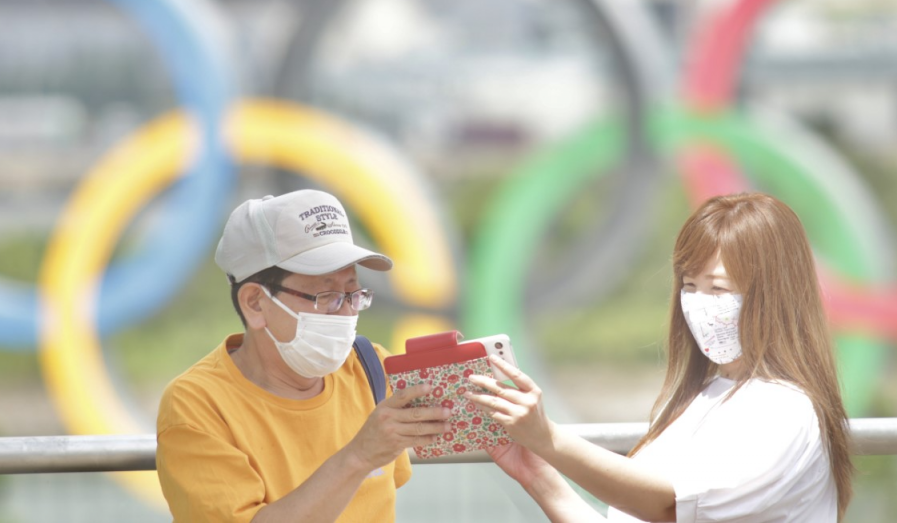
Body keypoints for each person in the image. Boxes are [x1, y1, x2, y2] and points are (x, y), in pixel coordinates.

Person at [467, 191, 854, 522]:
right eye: (689, 286)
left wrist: (548, 438)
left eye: (717, 288)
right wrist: (537, 473)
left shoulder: (784, 410)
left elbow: (669, 506)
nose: (699, 304)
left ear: (773, 292)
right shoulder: (700, 399)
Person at [156, 189, 449, 523]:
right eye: (326, 295)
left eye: (353, 293)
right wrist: (358, 457)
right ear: (255, 303)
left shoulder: (371, 369)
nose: (346, 312)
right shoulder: (197, 404)